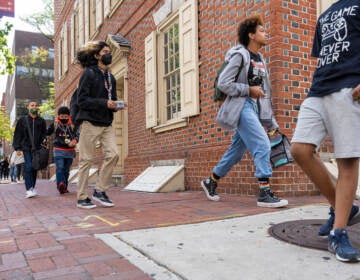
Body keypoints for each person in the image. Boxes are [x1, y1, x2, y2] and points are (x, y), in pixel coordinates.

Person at [291, 0, 360, 262]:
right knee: (299, 150)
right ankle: (342, 207)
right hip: (318, 89)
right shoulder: (326, 14)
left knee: (347, 160)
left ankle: (338, 232)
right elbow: (324, 56)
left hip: (349, 89)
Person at [201, 14, 288, 208]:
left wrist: (271, 123)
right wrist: (248, 90)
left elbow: (263, 93)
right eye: (262, 30)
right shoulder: (240, 55)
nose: (267, 33)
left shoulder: (261, 60)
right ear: (251, 35)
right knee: (262, 144)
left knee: (236, 152)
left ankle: (211, 181)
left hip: (255, 109)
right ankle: (265, 192)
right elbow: (224, 83)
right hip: (241, 107)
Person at [75, 40, 123, 209]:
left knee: (114, 154)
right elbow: (82, 100)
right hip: (90, 123)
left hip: (107, 123)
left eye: (109, 51)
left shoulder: (111, 77)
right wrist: (104, 103)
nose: (108, 54)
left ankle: (100, 190)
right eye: (104, 51)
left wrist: (116, 105)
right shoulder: (89, 73)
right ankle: (81, 197)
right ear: (96, 55)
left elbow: (112, 99)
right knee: (86, 160)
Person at [13, 101, 47, 198]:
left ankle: (32, 187)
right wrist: (17, 147)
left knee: (34, 167)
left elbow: (44, 134)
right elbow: (17, 134)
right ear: (28, 107)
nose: (34, 107)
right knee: (28, 166)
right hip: (26, 147)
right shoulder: (22, 120)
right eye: (32, 105)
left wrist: (43, 141)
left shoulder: (41, 121)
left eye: (36, 106)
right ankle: (29, 189)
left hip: (37, 148)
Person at [47, 106, 79, 194]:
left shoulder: (73, 124)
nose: (63, 118)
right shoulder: (55, 124)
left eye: (65, 117)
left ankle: (64, 186)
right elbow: (47, 132)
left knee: (66, 170)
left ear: (68, 116)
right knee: (60, 167)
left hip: (70, 151)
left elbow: (78, 134)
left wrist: (74, 141)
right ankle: (60, 184)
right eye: (62, 117)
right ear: (59, 116)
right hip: (58, 149)